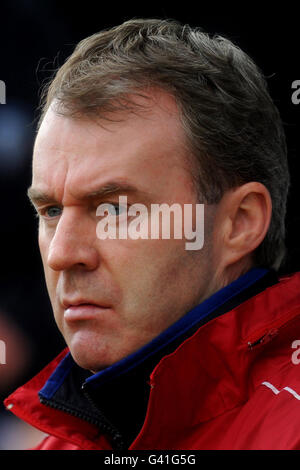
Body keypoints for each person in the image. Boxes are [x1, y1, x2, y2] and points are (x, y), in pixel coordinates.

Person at [4, 18, 300, 450]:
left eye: (115, 209)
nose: (62, 254)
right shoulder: (64, 440)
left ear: (238, 222)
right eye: (49, 211)